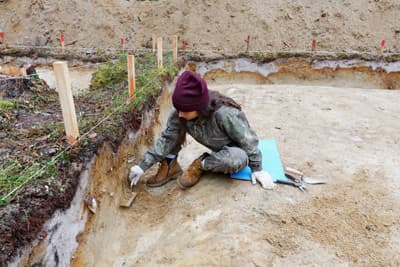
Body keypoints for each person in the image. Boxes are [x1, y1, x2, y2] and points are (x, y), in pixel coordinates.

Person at [128, 70, 275, 190]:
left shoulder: (225, 114)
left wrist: (257, 168)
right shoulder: (182, 111)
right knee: (174, 131)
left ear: (199, 107)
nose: (180, 114)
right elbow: (168, 138)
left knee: (236, 160)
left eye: (185, 111)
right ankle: (170, 166)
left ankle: (201, 164)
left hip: (234, 151)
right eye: (179, 109)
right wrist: (142, 166)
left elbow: (248, 140)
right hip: (218, 148)